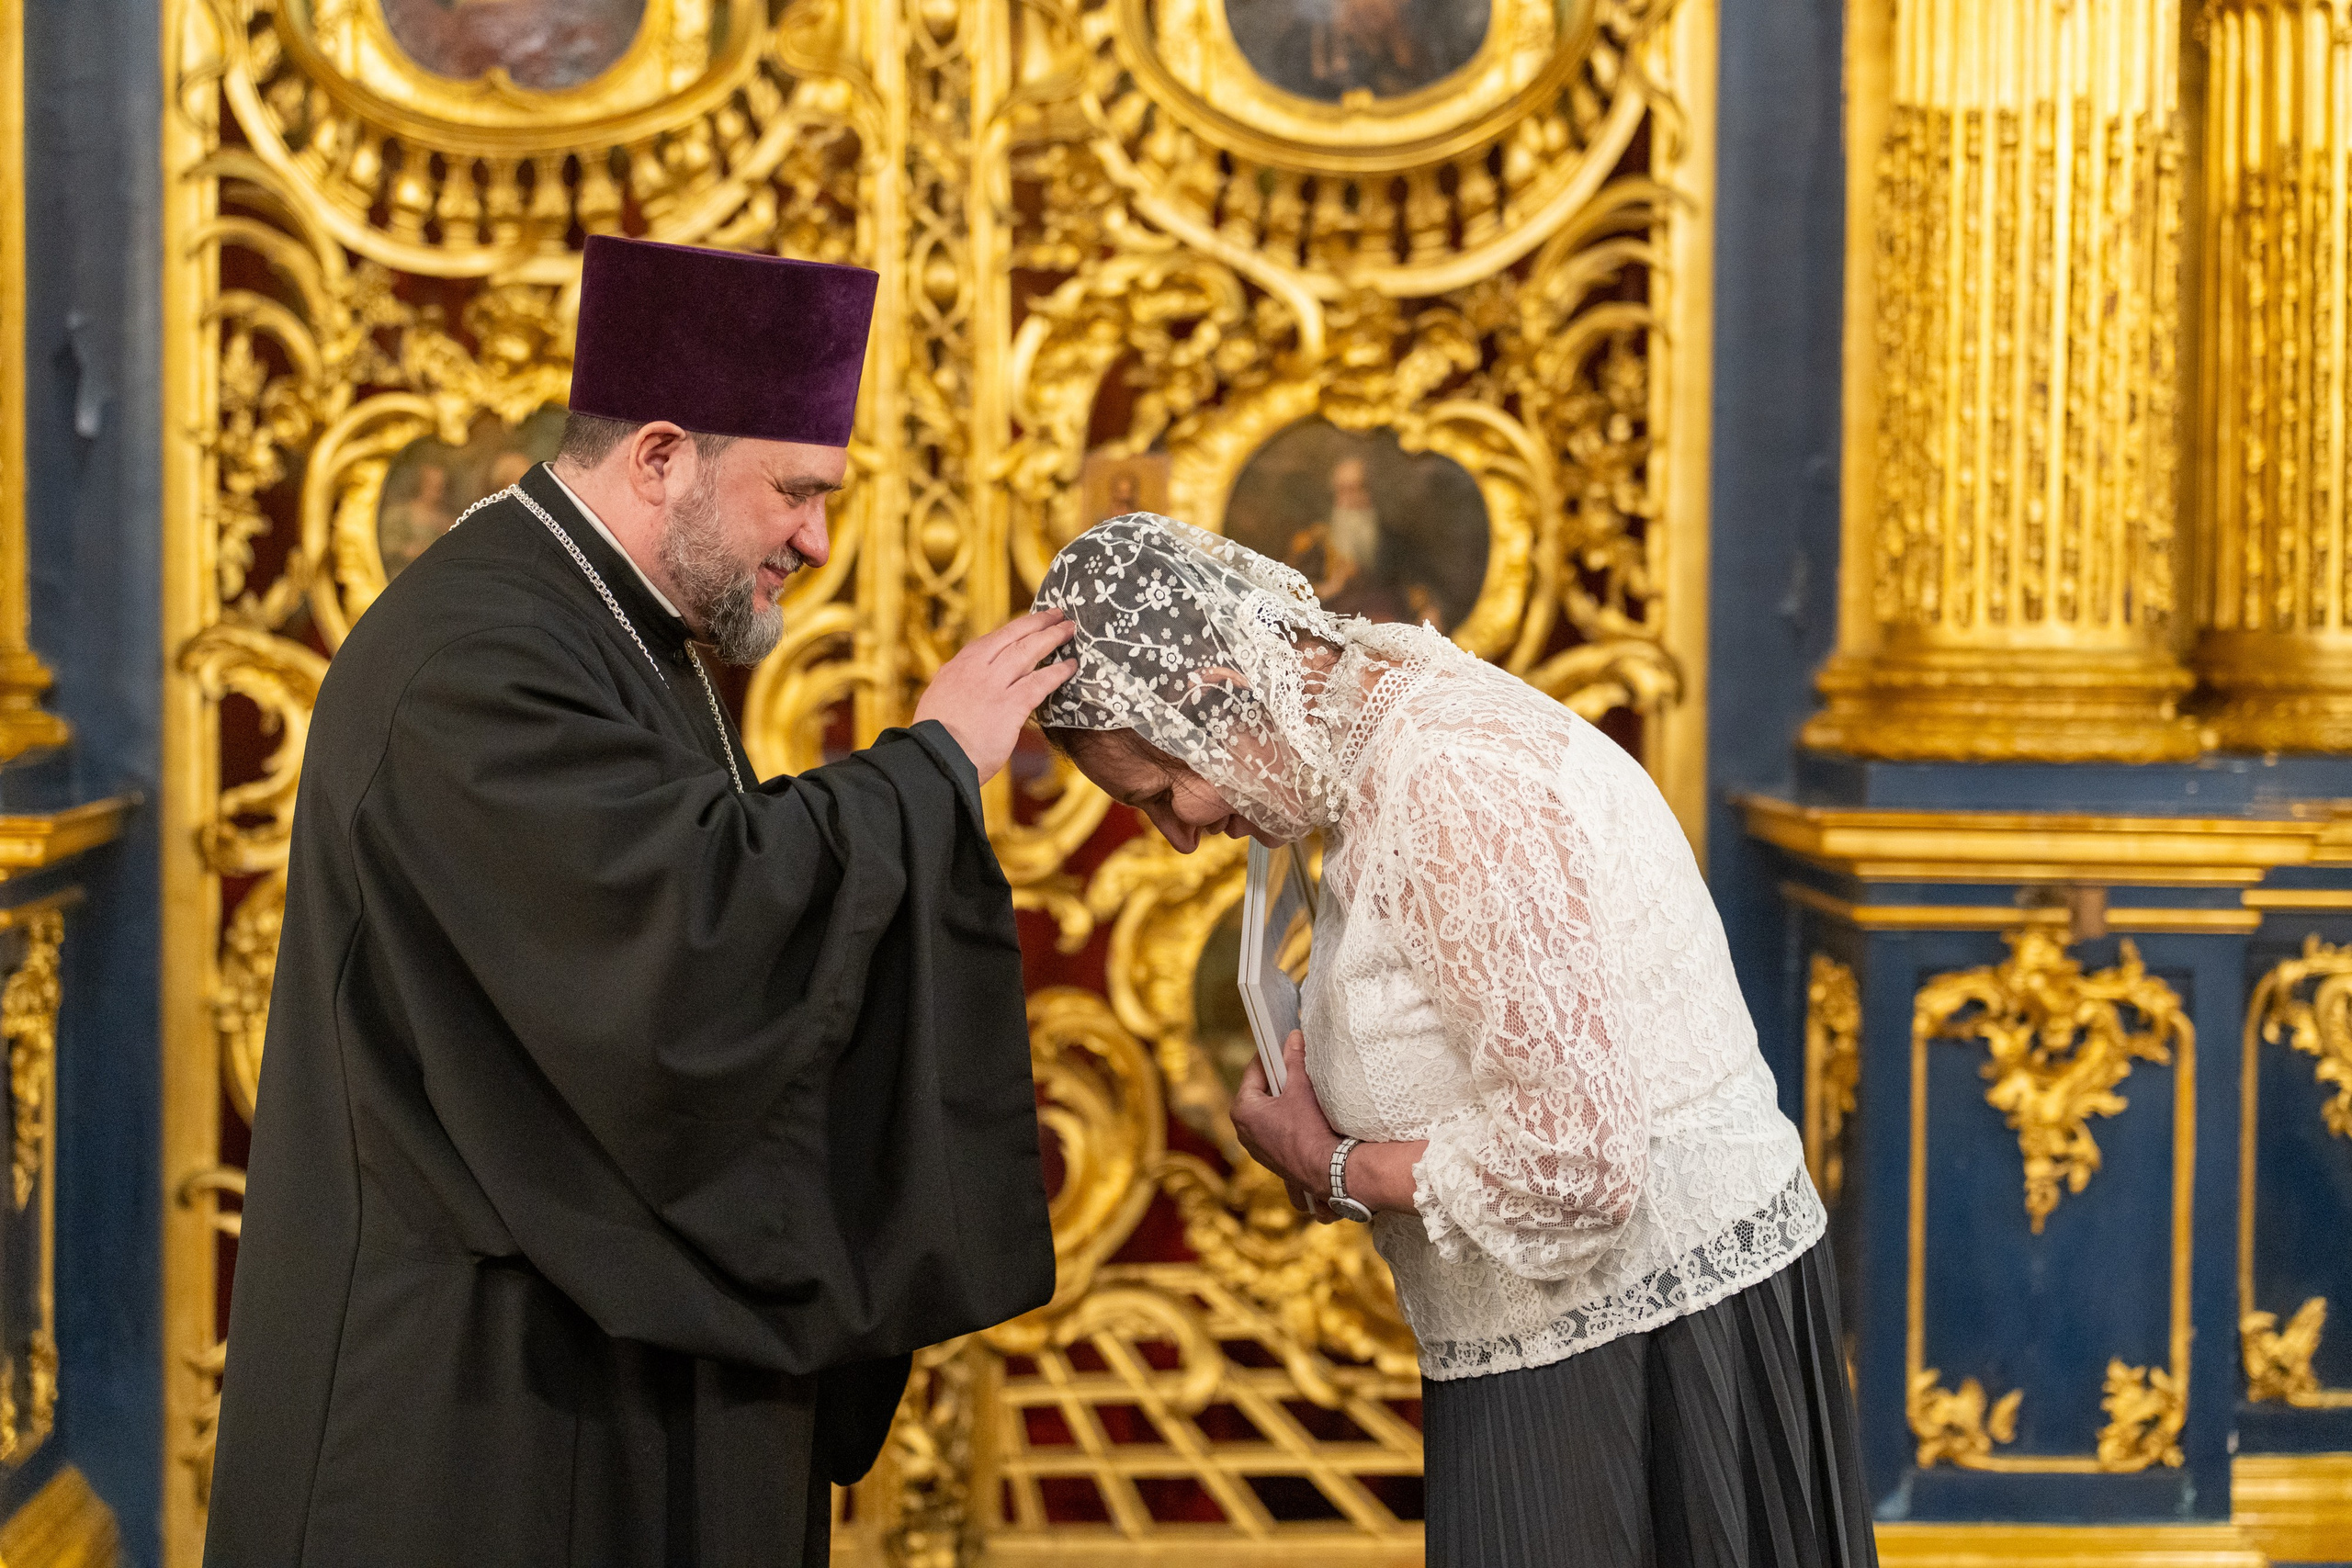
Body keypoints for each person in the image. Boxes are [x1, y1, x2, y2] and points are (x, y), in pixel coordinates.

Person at [206, 235, 1078, 1567]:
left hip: (570, 1352)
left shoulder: (599, 620)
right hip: (474, 1399)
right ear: (660, 455)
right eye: (795, 491)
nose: (818, 537)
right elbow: (680, 948)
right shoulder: (481, 655)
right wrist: (932, 765)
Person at [1032, 513, 1874, 1568]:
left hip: (1644, 1368)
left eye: (1160, 792)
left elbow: (1575, 1167)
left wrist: (1323, 1163)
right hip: (1581, 1350)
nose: (1179, 833)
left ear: (1218, 692)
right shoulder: (1371, 730)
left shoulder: (1448, 780)